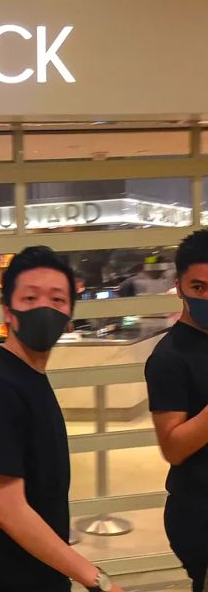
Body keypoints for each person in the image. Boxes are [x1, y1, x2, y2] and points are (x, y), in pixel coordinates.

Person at [0, 246, 123, 592]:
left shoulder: (29, 376)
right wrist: (97, 579)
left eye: (57, 299)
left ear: (69, 312)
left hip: (40, 572)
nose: (44, 309)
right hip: (5, 580)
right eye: (30, 298)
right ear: (8, 311)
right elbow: (9, 511)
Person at [145, 229, 208, 592]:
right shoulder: (169, 358)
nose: (206, 296)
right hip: (200, 513)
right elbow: (173, 446)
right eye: (197, 287)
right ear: (179, 286)